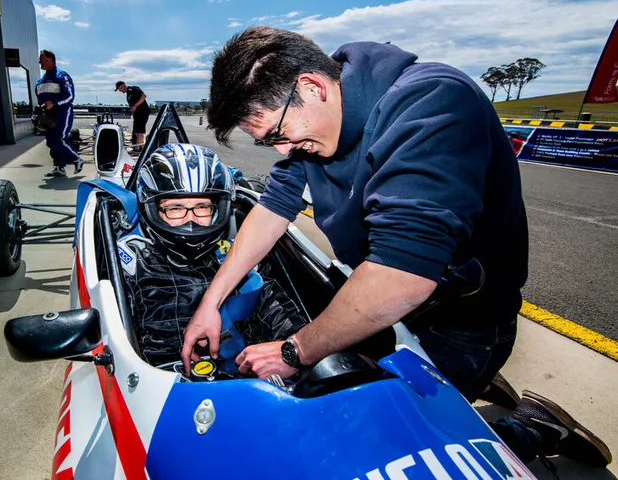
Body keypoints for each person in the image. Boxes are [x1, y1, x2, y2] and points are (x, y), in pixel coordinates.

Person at [181, 26, 611, 467]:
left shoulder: (432, 102)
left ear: (311, 87)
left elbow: (400, 275)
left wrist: (292, 351)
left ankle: (533, 424)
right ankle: (467, 382)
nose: (282, 149)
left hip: (461, 318)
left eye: (278, 133)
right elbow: (270, 211)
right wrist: (211, 303)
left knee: (395, 447)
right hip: (389, 311)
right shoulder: (310, 131)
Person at [119, 143, 305, 369]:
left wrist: (296, 350)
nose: (190, 219)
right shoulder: (132, 263)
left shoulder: (240, 255)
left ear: (217, 209)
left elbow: (276, 310)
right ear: (152, 209)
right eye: (175, 208)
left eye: (202, 207)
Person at [36, 50, 84, 177]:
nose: (39, 61)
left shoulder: (62, 76)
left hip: (62, 114)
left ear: (51, 60)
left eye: (42, 59)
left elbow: (70, 96)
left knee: (59, 138)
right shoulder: (40, 81)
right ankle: (59, 167)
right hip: (48, 117)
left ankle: (76, 158)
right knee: (51, 141)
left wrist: (55, 104)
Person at [114, 81, 150, 151]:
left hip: (143, 112)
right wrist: (134, 115)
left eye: (119, 89)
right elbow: (132, 108)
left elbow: (143, 96)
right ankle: (141, 147)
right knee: (136, 131)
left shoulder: (133, 89)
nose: (120, 91)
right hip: (137, 114)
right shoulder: (128, 95)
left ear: (123, 86)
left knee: (139, 131)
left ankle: (136, 148)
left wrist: (135, 105)